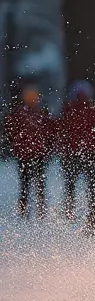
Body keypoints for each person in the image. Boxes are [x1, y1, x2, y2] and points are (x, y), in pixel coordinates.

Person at [57, 80, 95, 234]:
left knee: (70, 186)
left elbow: (62, 130)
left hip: (71, 153)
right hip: (90, 153)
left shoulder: (68, 110)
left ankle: (69, 214)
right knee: (94, 188)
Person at [4, 87, 52, 219]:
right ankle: (38, 211)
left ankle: (25, 211)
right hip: (36, 154)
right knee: (37, 184)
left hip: (26, 154)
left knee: (26, 184)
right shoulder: (40, 113)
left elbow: (9, 130)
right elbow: (49, 132)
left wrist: (16, 146)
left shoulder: (19, 114)